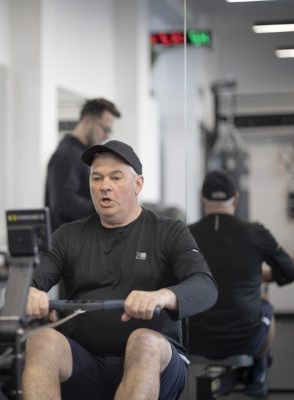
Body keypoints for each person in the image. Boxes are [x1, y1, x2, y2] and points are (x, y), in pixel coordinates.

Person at [23, 140, 218, 400]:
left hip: (156, 363)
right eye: (97, 178)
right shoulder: (67, 236)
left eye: (116, 178)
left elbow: (205, 287)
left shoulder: (170, 231)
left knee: (143, 342)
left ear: (138, 184)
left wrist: (160, 296)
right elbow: (28, 283)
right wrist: (29, 293)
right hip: (86, 362)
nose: (105, 186)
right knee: (41, 341)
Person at [188, 170, 294, 396]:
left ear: (202, 197)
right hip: (244, 341)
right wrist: (263, 276)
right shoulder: (255, 232)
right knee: (265, 301)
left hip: (193, 341)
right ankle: (258, 367)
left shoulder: (185, 234)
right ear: (236, 198)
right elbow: (289, 272)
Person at [45, 98, 121, 232]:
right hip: (68, 246)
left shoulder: (81, 154)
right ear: (87, 121)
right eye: (105, 128)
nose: (107, 135)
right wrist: (105, 206)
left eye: (110, 131)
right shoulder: (67, 154)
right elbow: (64, 203)